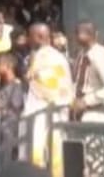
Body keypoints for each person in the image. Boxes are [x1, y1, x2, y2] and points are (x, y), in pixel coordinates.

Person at [21, 23, 73, 171]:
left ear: (39, 37)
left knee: (37, 157)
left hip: (43, 113)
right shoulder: (52, 56)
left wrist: (30, 77)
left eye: (29, 36)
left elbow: (49, 85)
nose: (27, 39)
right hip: (52, 114)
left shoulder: (47, 57)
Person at [72, 21, 104, 123]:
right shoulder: (81, 53)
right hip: (81, 112)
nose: (75, 36)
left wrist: (86, 101)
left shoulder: (99, 55)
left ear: (87, 35)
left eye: (77, 33)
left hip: (97, 112)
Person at [0, 52, 25, 157]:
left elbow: (13, 115)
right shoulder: (2, 86)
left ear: (8, 66)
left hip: (8, 140)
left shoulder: (16, 87)